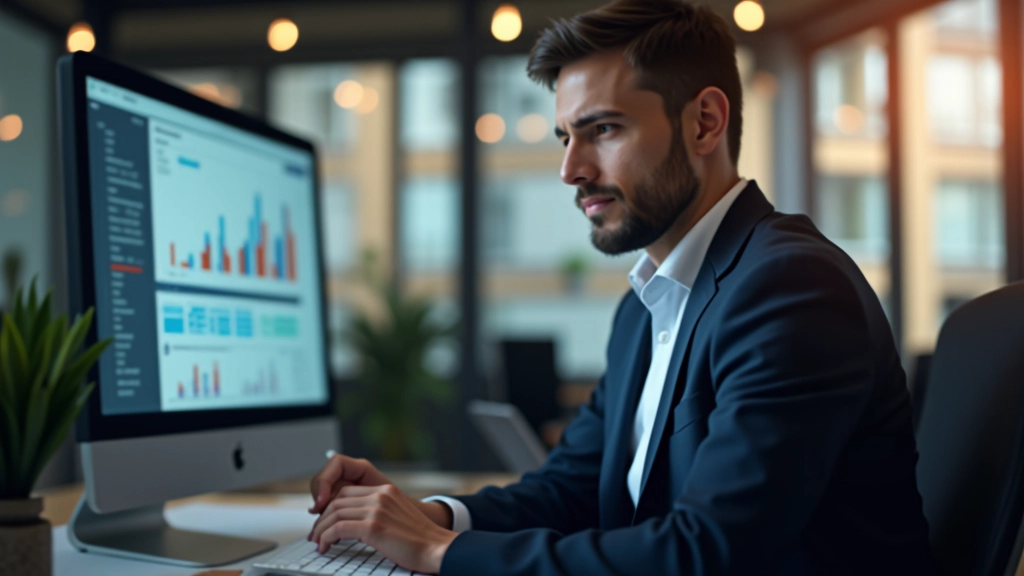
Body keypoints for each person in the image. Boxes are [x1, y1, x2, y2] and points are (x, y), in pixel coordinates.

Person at [306, 1, 935, 574]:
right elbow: (571, 488)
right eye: (565, 136)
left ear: (704, 123)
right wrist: (425, 517)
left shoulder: (790, 288)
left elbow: (708, 550)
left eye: (603, 130)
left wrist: (436, 553)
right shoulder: (645, 307)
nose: (571, 169)